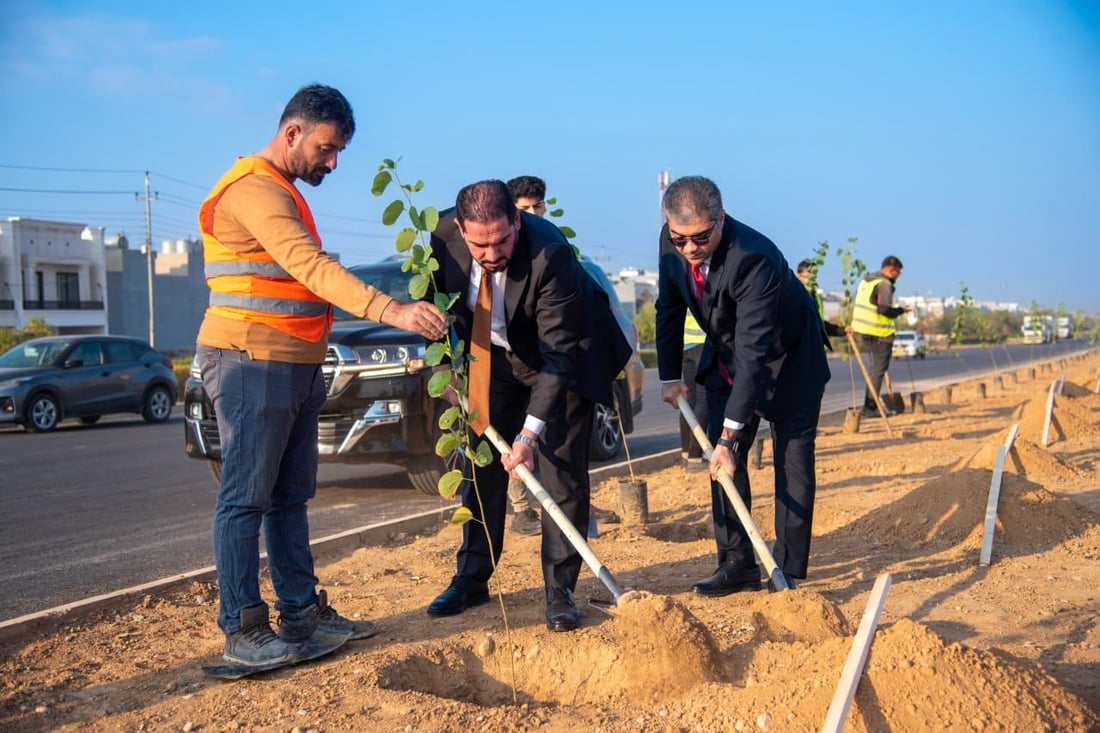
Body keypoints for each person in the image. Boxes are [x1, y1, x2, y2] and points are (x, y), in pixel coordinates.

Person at [195, 84, 447, 668]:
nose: (332, 163)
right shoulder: (255, 189)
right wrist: (393, 310)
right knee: (245, 498)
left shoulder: (281, 190)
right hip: (251, 359)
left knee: (290, 496)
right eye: (327, 149)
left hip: (294, 361)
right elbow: (309, 268)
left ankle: (301, 613)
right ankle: (242, 627)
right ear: (292, 133)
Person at [425, 179, 632, 631]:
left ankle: (559, 589)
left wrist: (527, 436)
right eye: (481, 244)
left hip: (561, 360)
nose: (493, 253)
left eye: (502, 240)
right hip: (495, 358)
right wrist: (444, 367)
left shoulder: (549, 253)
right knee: (481, 464)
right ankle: (472, 577)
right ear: (461, 229)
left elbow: (559, 356)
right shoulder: (440, 237)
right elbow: (434, 306)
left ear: (517, 220)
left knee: (561, 470)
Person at [655, 175, 830, 594]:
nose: (689, 249)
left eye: (700, 238)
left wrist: (732, 438)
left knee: (792, 459)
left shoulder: (754, 257)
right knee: (720, 462)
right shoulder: (672, 240)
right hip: (726, 357)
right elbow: (669, 306)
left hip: (788, 360)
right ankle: (737, 562)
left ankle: (786, 568)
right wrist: (669, 376)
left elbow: (756, 353)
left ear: (721, 219)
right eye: (680, 239)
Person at [501, 175, 547, 535]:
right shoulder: (502, 251)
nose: (533, 213)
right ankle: (522, 508)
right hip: (513, 364)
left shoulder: (549, 247)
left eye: (537, 206)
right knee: (519, 435)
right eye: (525, 208)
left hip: (549, 362)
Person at [850, 255, 909, 417]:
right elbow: (883, 309)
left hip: (864, 331)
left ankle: (870, 404)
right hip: (880, 333)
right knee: (877, 371)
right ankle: (870, 407)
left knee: (874, 369)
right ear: (892, 270)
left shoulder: (867, 281)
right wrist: (900, 311)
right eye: (898, 273)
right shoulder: (884, 285)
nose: (898, 276)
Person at [679, 312, 708, 469]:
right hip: (702, 343)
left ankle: (686, 453)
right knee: (704, 399)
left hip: (685, 344)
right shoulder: (702, 287)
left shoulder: (683, 287)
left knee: (689, 399)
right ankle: (695, 456)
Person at [796, 259, 849, 341]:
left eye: (814, 277)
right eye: (808, 277)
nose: (812, 281)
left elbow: (818, 323)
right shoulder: (795, 295)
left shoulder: (815, 295)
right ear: (798, 276)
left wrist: (841, 330)